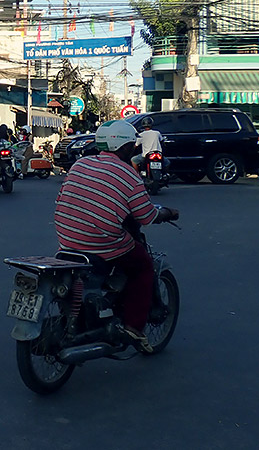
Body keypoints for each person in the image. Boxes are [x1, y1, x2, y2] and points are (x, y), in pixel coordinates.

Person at [54, 120, 179, 353]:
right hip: (101, 243)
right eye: (132, 145)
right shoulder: (129, 175)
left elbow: (63, 197)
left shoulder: (80, 164)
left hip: (67, 238)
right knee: (142, 267)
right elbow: (145, 216)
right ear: (126, 148)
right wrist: (167, 213)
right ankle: (133, 326)